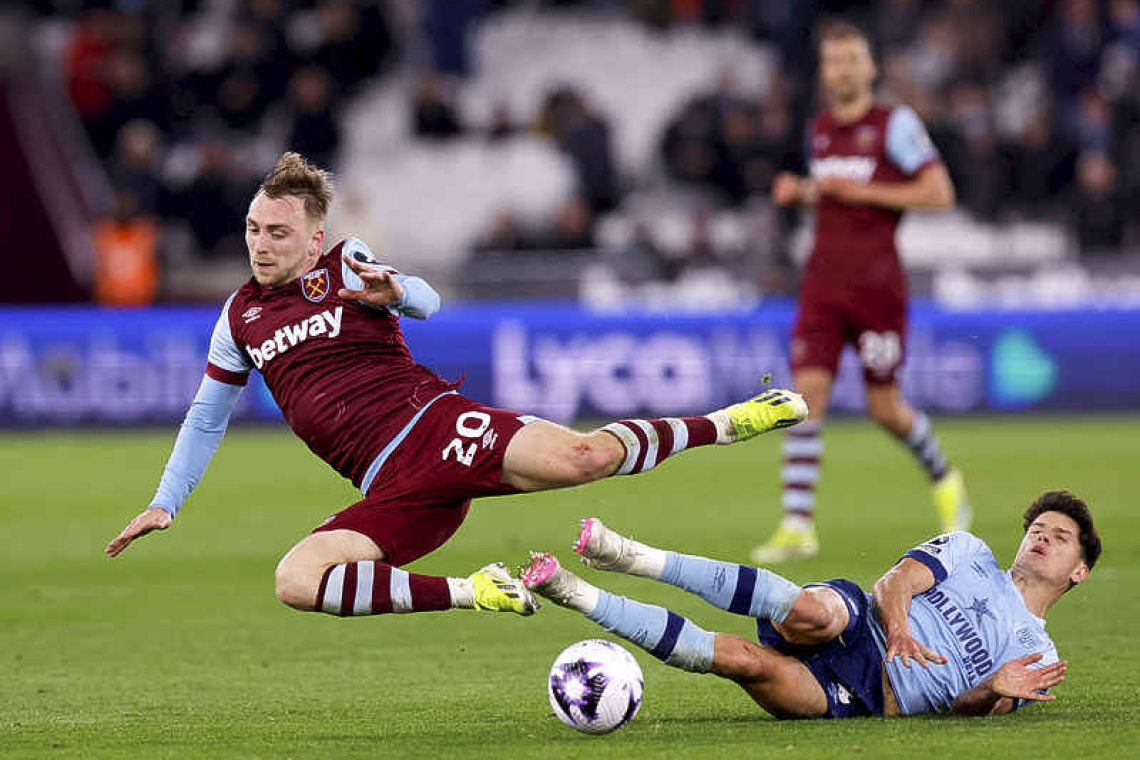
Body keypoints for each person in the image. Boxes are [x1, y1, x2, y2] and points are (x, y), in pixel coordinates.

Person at [105, 152, 808, 620]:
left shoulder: (347, 266)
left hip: (437, 429)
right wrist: (165, 502)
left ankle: (730, 420)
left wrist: (397, 291)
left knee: (586, 458)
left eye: (279, 233)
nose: (261, 245)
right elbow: (206, 416)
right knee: (296, 580)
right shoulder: (240, 316)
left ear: (315, 240)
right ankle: (476, 591)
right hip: (393, 488)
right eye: (254, 230)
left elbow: (429, 301)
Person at [522, 490, 1100, 719]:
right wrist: (898, 628)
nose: (1041, 537)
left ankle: (579, 595)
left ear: (1079, 570)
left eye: (1059, 536)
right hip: (864, 621)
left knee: (742, 661)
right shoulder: (971, 551)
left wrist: (994, 690)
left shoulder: (1037, 654)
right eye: (1037, 529)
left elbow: (968, 710)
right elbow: (896, 580)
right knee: (815, 612)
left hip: (872, 696)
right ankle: (632, 556)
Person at [759, 21, 965, 563]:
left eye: (853, 60)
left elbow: (940, 192)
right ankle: (798, 524)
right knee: (806, 400)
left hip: (877, 289)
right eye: (835, 62)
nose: (844, 70)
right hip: (822, 285)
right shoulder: (820, 129)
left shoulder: (894, 125)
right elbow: (835, 199)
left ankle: (945, 477)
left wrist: (861, 189)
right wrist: (803, 193)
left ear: (871, 67)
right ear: (825, 72)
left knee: (885, 409)